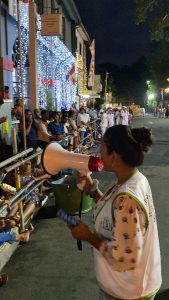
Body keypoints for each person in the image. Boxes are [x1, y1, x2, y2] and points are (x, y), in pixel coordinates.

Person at [68, 125, 161, 300]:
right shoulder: (134, 179)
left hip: (128, 291)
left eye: (102, 146)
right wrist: (92, 191)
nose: (99, 151)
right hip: (131, 286)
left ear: (115, 156)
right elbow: (118, 212)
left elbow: (125, 259)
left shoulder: (128, 197)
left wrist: (87, 236)